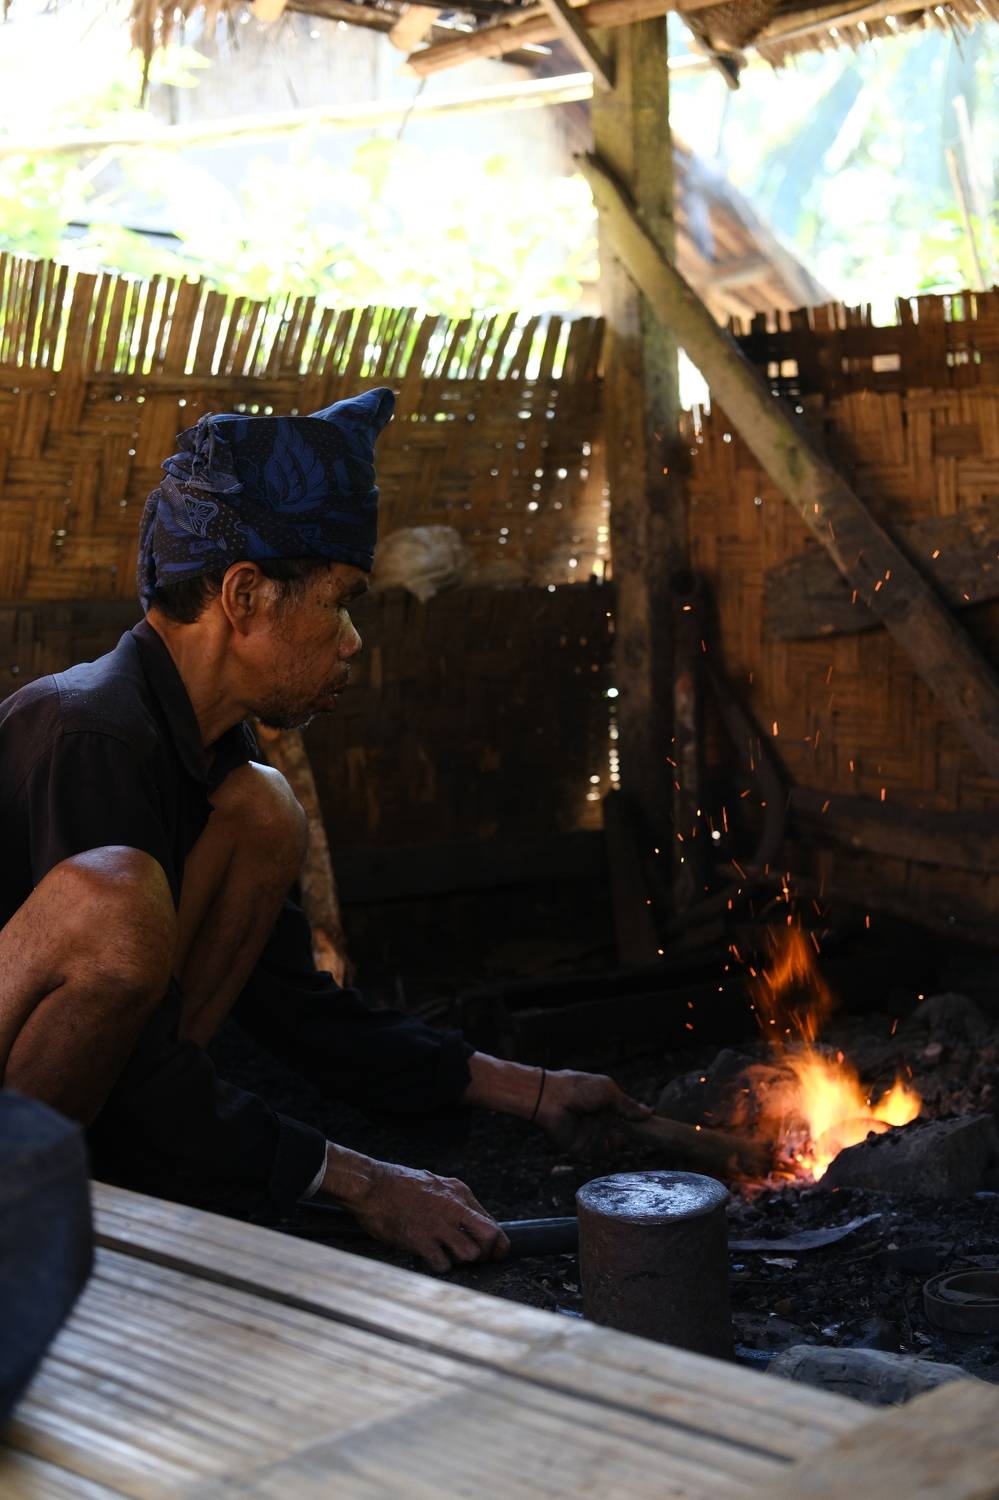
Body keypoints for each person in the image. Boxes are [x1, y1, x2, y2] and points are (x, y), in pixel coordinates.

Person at [0, 387, 648, 1274]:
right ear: (244, 595)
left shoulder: (211, 756)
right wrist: (358, 1181)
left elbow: (294, 1009)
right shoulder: (89, 733)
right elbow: (135, 1058)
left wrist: (530, 1090)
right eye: (340, 602)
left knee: (266, 808)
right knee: (114, 898)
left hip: (91, 1104)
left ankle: (126, 1173)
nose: (351, 640)